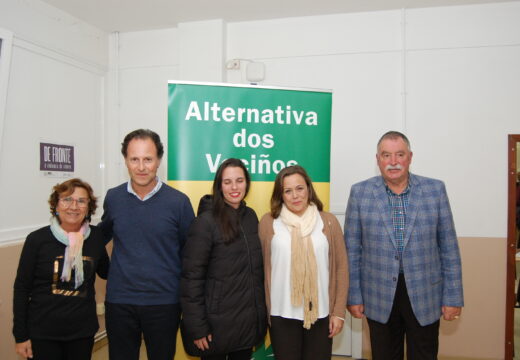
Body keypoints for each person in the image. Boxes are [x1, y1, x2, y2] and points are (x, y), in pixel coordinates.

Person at [344, 131, 464, 359]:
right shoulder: (360, 193)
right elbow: (352, 250)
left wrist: (453, 297)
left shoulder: (434, 190)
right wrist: (354, 295)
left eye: (400, 154)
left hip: (425, 293)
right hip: (378, 295)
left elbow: (449, 247)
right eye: (386, 155)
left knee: (424, 353)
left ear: (410, 156)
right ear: (377, 159)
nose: (393, 162)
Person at [99, 129, 195, 360]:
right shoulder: (113, 197)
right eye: (135, 159)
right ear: (126, 161)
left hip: (164, 303)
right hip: (120, 302)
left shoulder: (179, 203)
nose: (141, 167)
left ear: (159, 161)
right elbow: (99, 237)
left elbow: (189, 253)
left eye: (148, 159)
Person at [258, 165, 348, 360]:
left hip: (321, 313)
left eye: (299, 188)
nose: (295, 196)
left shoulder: (329, 222)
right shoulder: (268, 223)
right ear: (280, 195)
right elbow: (260, 270)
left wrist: (338, 312)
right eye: (287, 191)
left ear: (308, 188)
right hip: (281, 314)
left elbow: (341, 268)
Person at [13, 178, 109, 360]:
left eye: (81, 201)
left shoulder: (96, 237)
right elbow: (21, 288)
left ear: (89, 207)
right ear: (56, 205)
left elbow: (106, 271)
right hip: (43, 333)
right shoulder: (37, 240)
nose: (74, 206)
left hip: (82, 332)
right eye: (67, 199)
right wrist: (21, 336)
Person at [180, 158, 267, 360]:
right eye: (227, 182)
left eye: (239, 180)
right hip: (213, 327)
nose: (234, 187)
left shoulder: (251, 217)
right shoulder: (205, 222)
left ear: (247, 183)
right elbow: (191, 279)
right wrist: (198, 327)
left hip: (246, 324)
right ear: (219, 186)